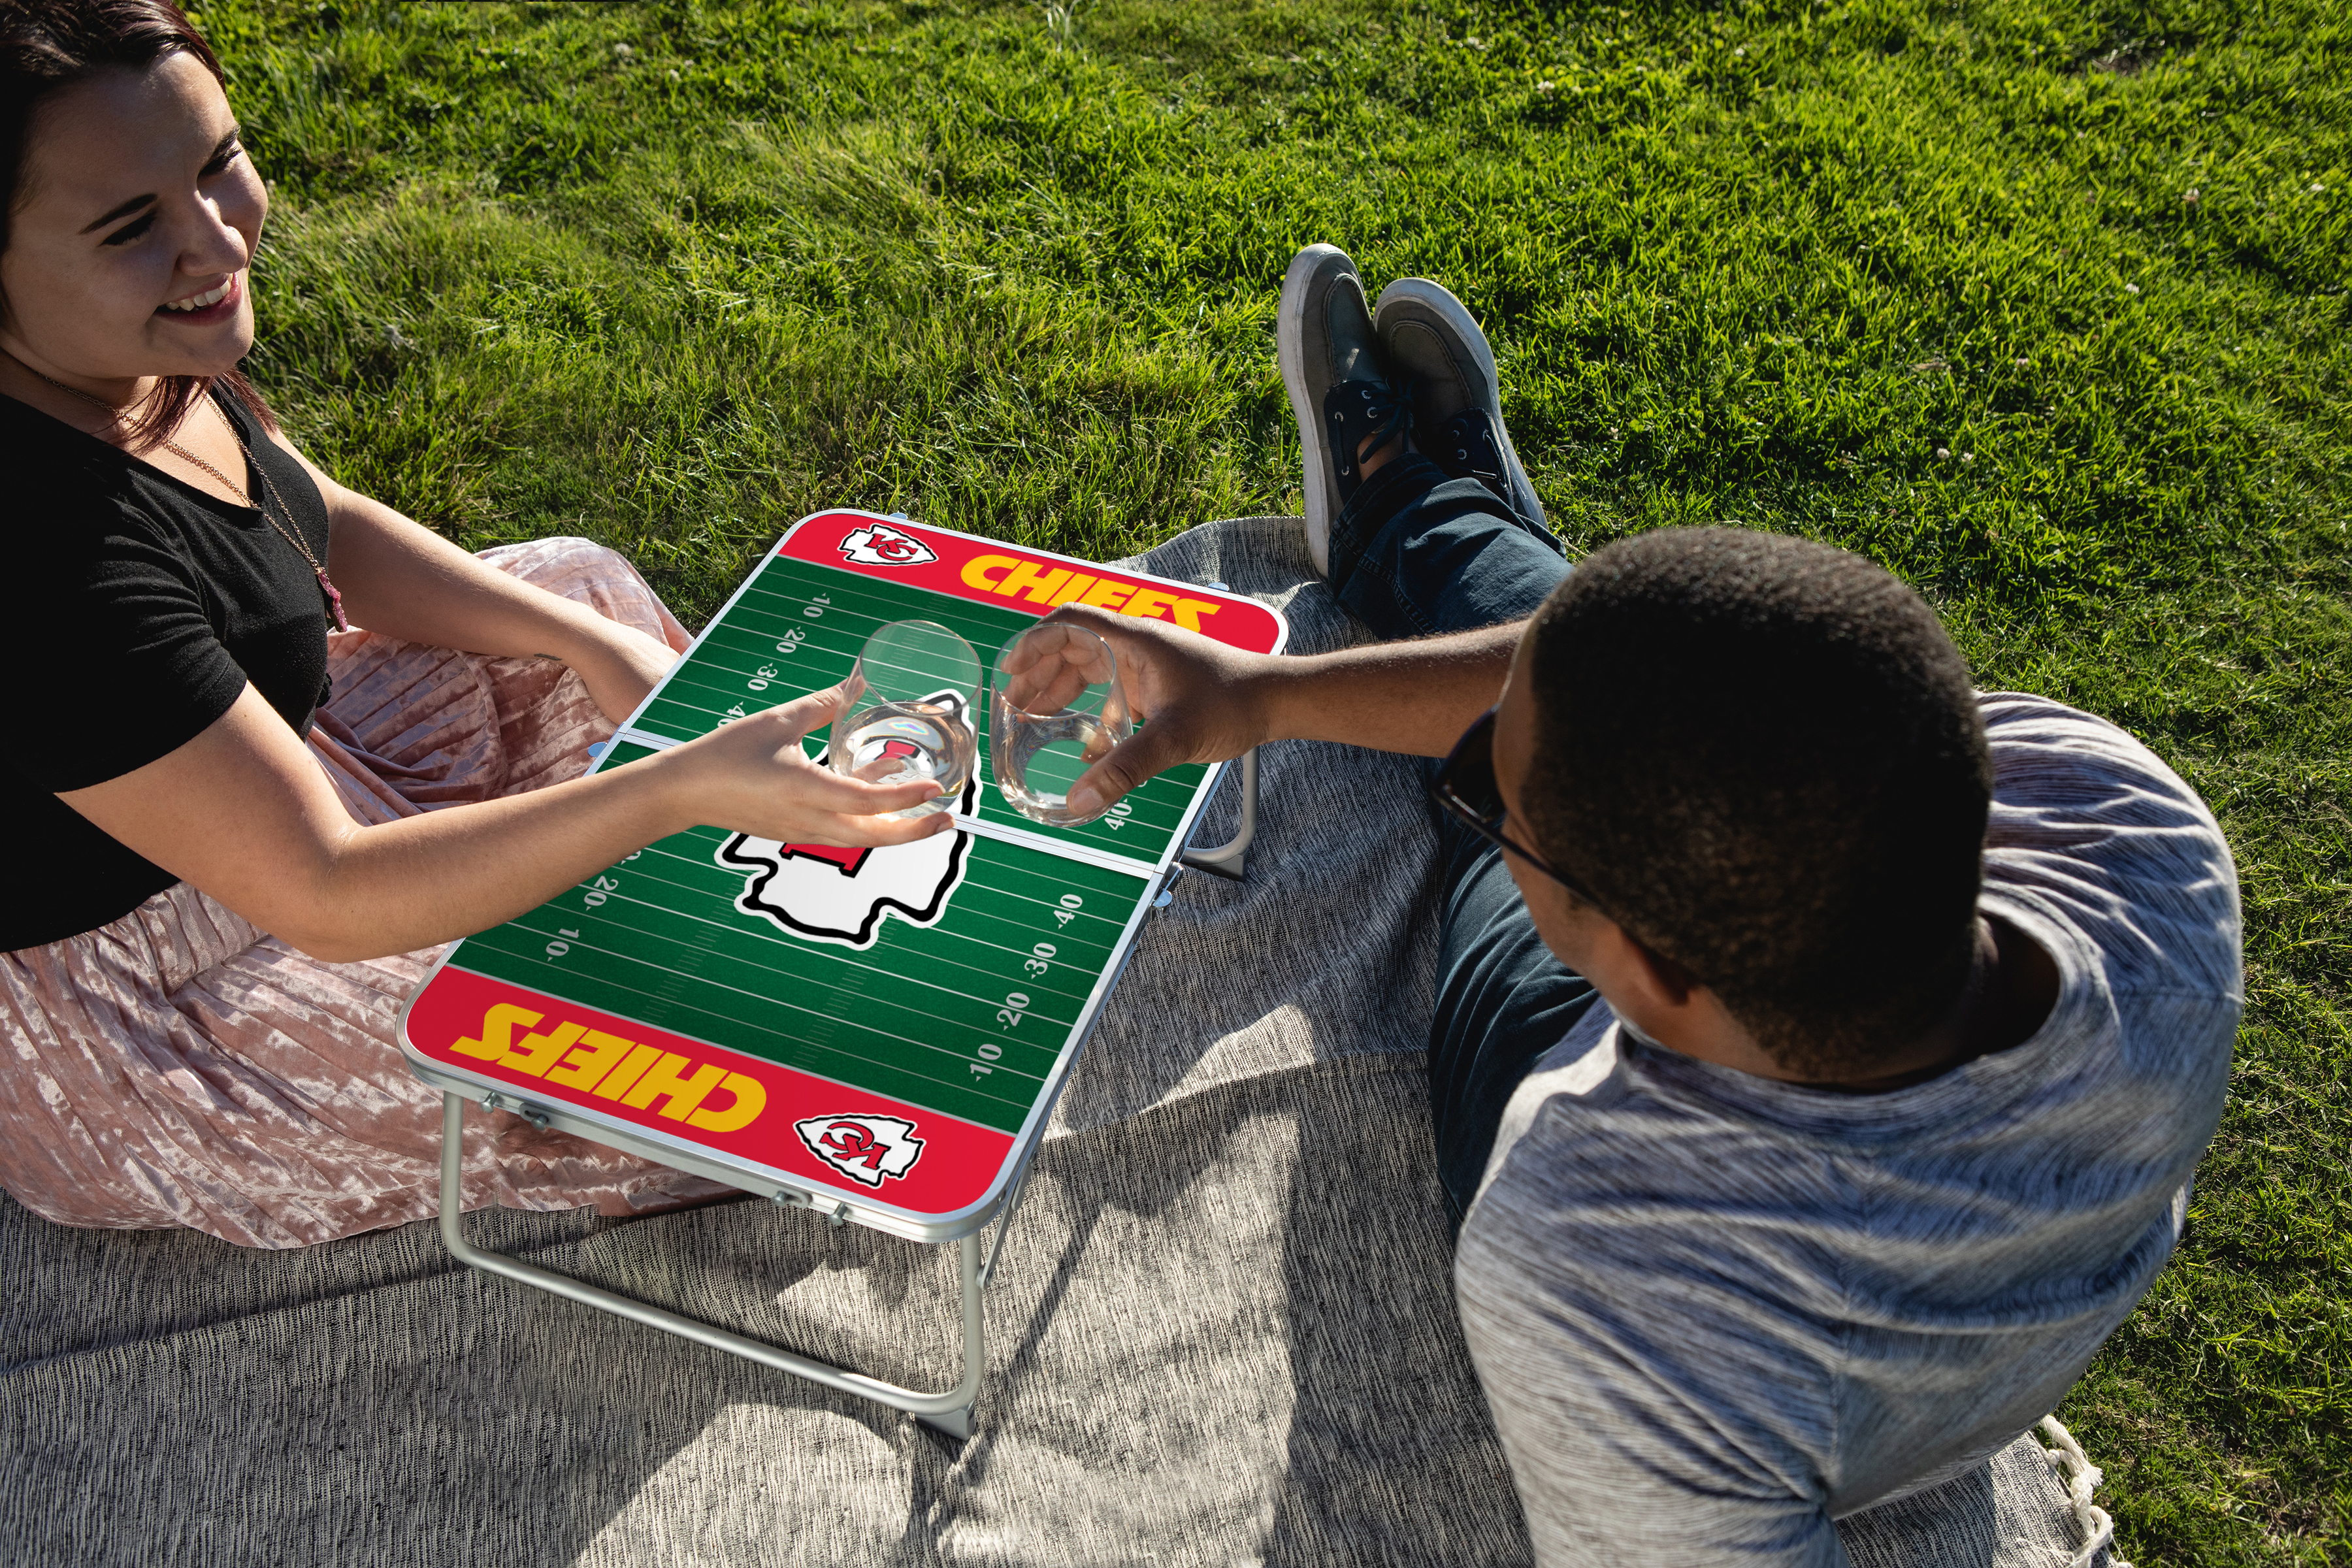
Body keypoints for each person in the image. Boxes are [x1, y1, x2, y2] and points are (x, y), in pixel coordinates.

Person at [1047, 243, 2240, 1564]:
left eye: (1494, 803)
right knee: (1625, 679)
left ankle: (1430, 525)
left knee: (1549, 738)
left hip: (1594, 1117)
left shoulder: (1600, 1262)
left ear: (1645, 973)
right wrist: (1261, 697)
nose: (1472, 788)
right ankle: (1449, 530)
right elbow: (1738, 698)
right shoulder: (2132, 826)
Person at [0, 0, 949, 1248]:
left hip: (281, 775)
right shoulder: (42, 557)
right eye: (132, 225)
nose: (217, 238)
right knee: (673, 1045)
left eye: (218, 161)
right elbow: (327, 890)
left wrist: (592, 645)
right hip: (161, 1005)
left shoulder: (119, 358)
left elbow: (318, 523)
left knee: (576, 589)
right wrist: (671, 791)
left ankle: (727, 855)